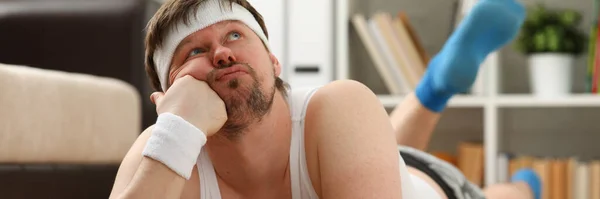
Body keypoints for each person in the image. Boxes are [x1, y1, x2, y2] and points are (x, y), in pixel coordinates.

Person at [109, 0, 541, 198]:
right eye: (194, 52)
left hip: (434, 189)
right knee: (392, 150)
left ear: (274, 62)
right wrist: (178, 130)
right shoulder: (162, 155)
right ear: (168, 96)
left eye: (235, 36)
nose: (221, 53)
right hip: (363, 164)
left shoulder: (339, 104)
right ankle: (436, 86)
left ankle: (527, 184)